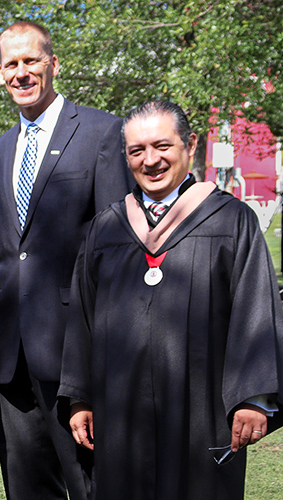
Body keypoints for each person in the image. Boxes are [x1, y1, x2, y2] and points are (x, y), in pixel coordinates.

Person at [59, 100, 283, 499]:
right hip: (120, 414)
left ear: (190, 144)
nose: (151, 160)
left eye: (162, 146)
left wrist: (253, 399)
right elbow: (83, 319)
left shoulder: (231, 221)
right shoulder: (107, 227)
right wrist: (79, 397)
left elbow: (257, 310)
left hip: (202, 415)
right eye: (137, 151)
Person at [0, 20, 133, 499]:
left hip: (74, 355)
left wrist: (104, 359)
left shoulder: (103, 133)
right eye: (10, 64)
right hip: (10, 357)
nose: (20, 72)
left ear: (53, 64)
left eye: (31, 61)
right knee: (26, 489)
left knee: (91, 486)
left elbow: (117, 255)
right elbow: (1, 255)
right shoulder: (0, 150)